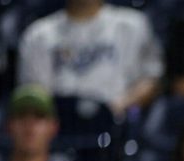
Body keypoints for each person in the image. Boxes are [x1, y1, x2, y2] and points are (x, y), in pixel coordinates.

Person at [17, 0, 163, 117]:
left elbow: (151, 78)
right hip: (57, 126)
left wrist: (119, 106)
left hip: (116, 122)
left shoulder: (133, 25)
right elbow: (34, 92)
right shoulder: (38, 34)